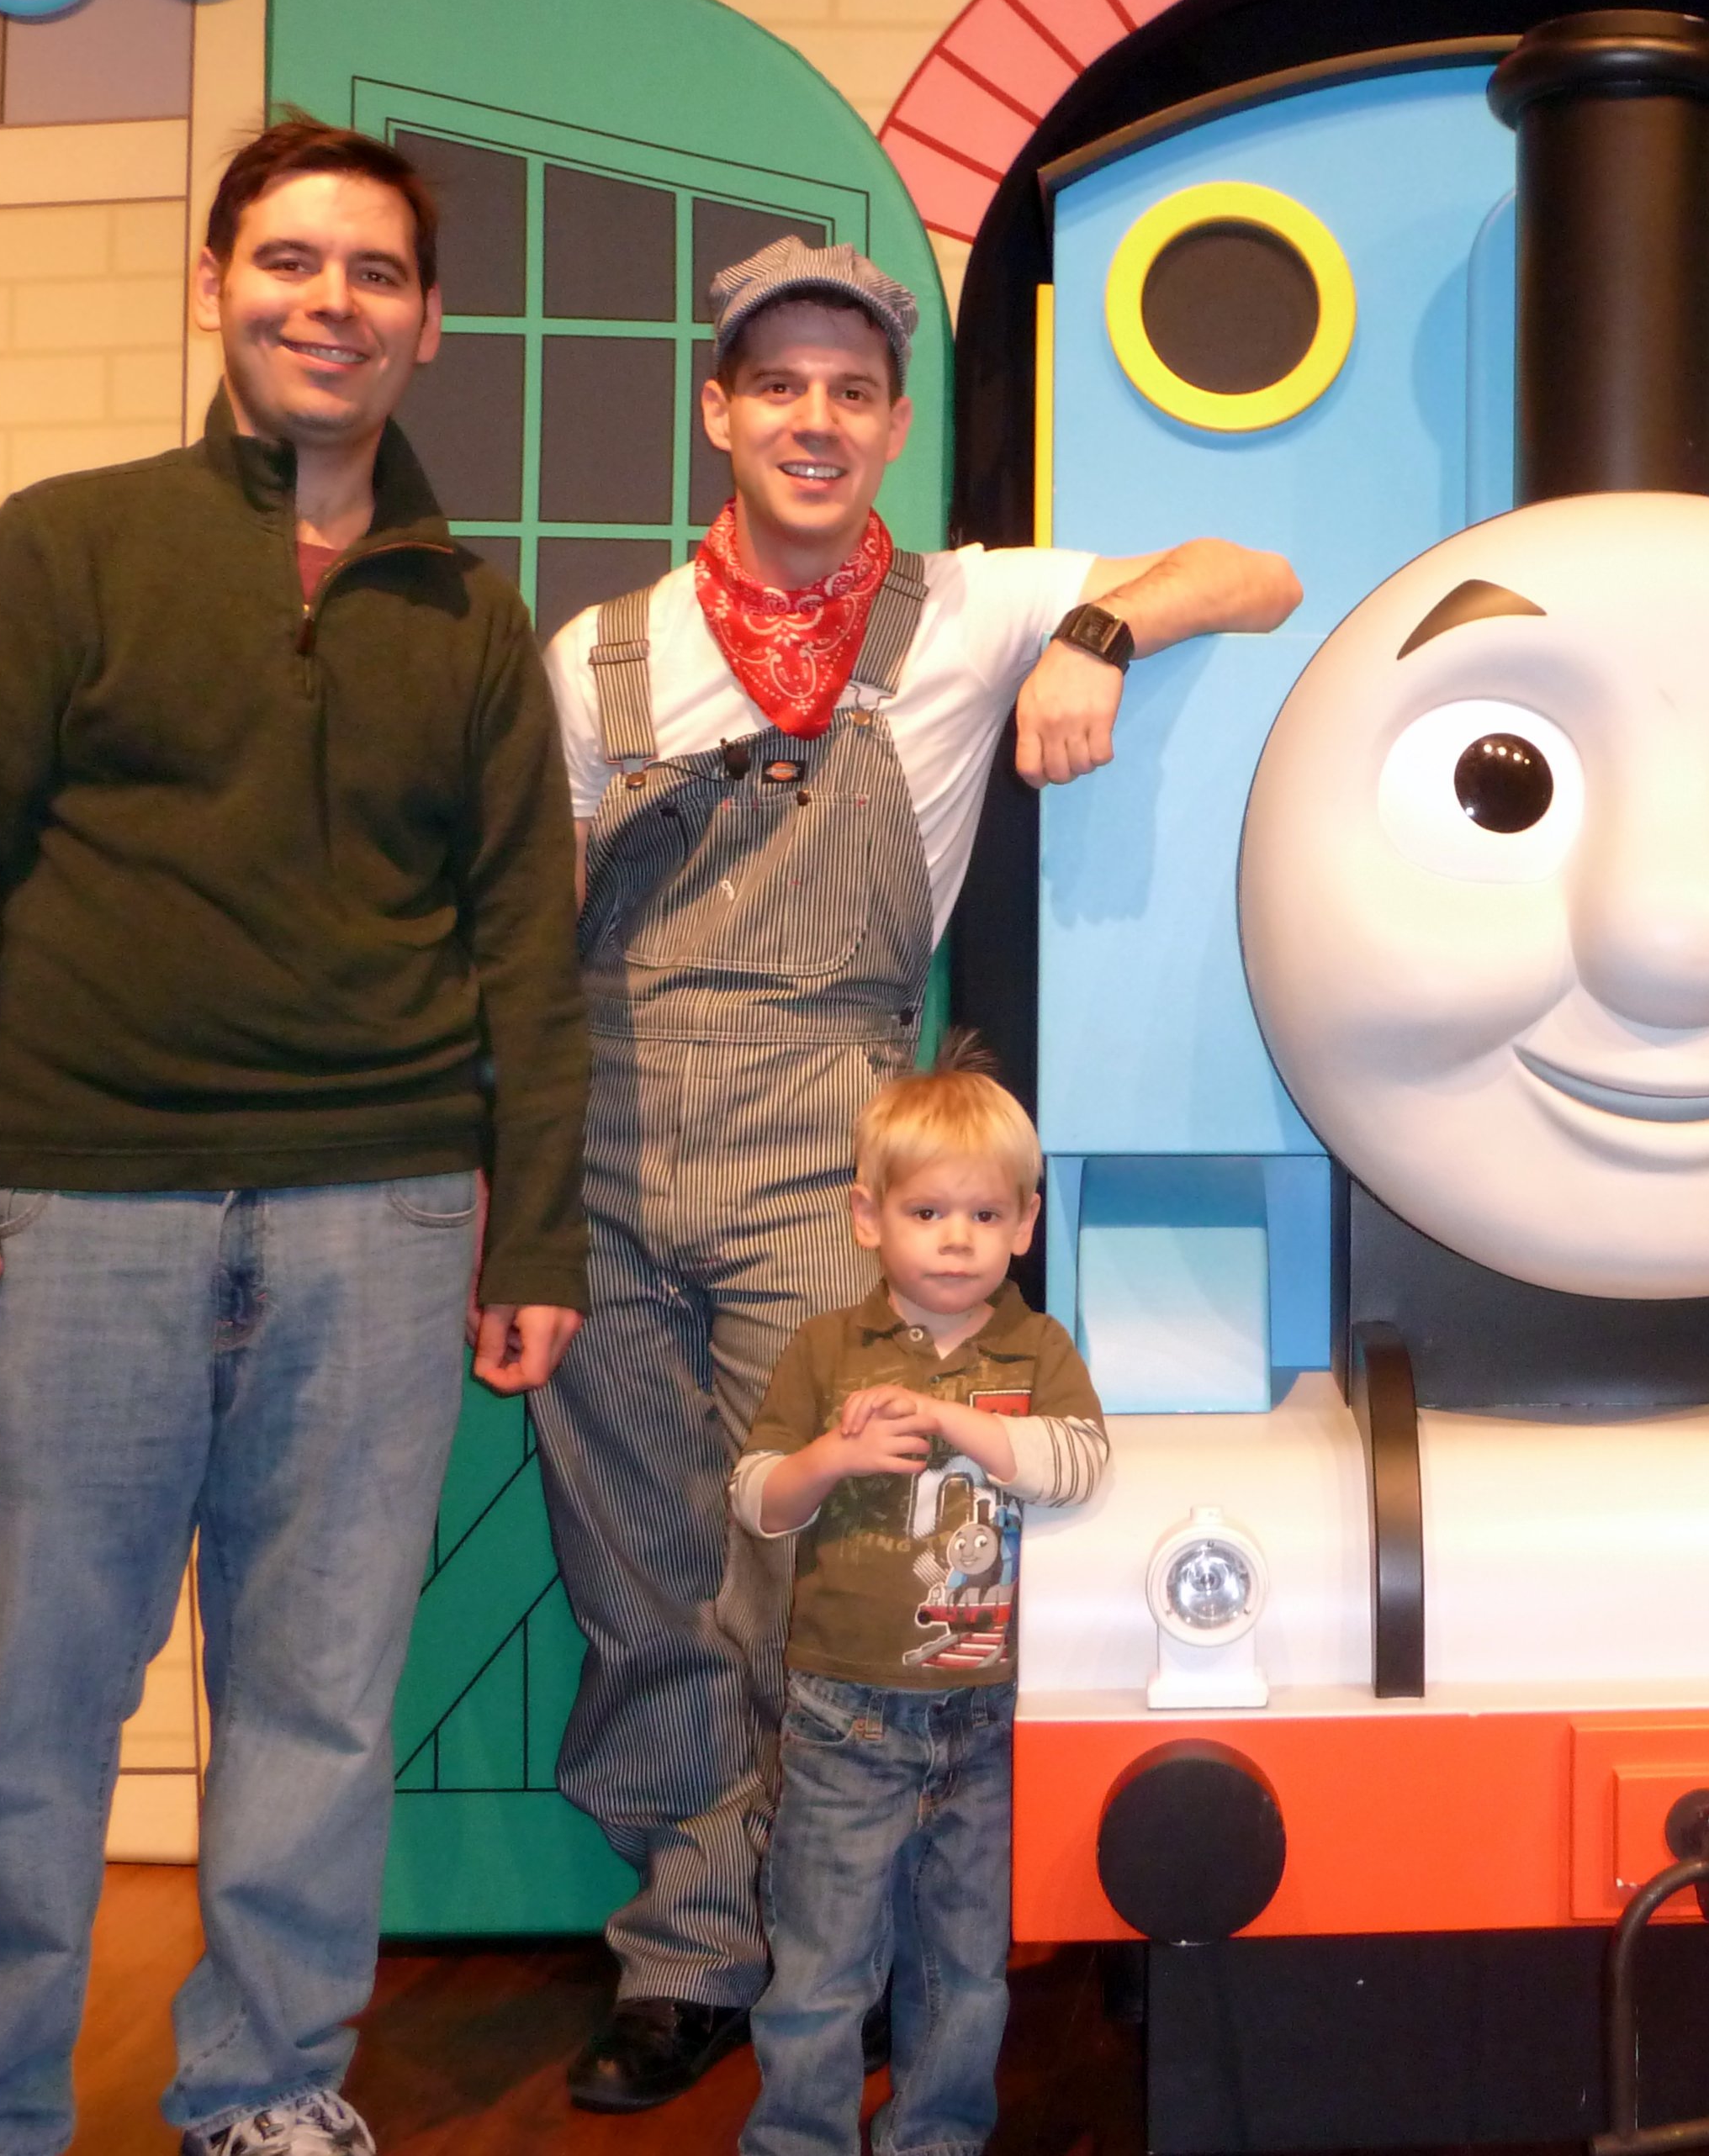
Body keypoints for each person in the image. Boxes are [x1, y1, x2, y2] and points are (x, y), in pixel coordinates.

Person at [0, 118, 590, 2156]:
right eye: (288, 261)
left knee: (320, 1708)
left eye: (374, 272)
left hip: (380, 1220)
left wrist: (534, 1232)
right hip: (70, 1222)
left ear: (428, 326)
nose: (328, 302)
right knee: (30, 1709)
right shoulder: (63, 548)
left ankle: (265, 2086)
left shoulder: (468, 614)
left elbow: (526, 948)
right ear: (213, 287)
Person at [534, 238, 1300, 2110]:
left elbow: (1254, 570)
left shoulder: (970, 606)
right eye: (778, 385)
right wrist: (518, 1187)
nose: (815, 418)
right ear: (719, 410)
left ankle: (835, 1947)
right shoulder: (602, 653)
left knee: (831, 1567)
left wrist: (1101, 635)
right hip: (606, 1138)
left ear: (891, 426)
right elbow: (533, 935)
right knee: (641, 1578)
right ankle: (688, 1953)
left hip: (831, 1146)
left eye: (853, 391)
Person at [728, 1050, 1106, 2156]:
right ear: (867, 1218)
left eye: (984, 1215)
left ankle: (935, 2138)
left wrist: (956, 1424)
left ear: (1024, 1225)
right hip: (844, 1711)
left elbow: (1082, 1465)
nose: (955, 1239)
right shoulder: (825, 1349)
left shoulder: (1037, 1349)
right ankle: (796, 2141)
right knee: (820, 1963)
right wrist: (829, 1459)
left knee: (964, 1968)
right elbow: (755, 1499)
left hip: (986, 1714)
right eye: (927, 1211)